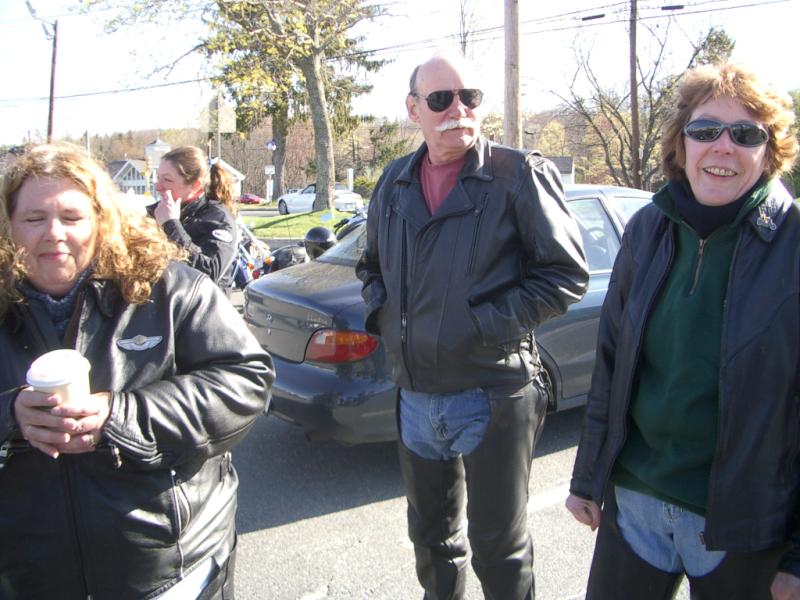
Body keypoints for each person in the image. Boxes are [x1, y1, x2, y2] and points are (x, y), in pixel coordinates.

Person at [356, 51, 589, 599]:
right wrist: (388, 320)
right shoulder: (394, 181)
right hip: (415, 396)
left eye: (470, 97)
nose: (457, 109)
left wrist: (480, 325)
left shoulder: (519, 175)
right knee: (431, 542)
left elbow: (565, 275)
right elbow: (371, 268)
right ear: (414, 109)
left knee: (498, 548)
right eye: (441, 99)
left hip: (492, 392)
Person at [566, 62, 800, 599]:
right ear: (682, 142)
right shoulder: (647, 229)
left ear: (769, 151)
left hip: (744, 524)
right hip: (635, 503)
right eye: (705, 130)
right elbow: (611, 364)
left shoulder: (792, 242)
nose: (723, 146)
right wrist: (588, 476)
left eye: (746, 134)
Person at [0, 143, 275, 599]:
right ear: (9, 224)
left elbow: (246, 380)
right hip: (27, 575)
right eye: (34, 218)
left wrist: (120, 415)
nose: (53, 234)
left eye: (71, 217)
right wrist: (11, 414)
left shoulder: (168, 288)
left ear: (100, 219)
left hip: (171, 569)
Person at [153, 146, 238, 288]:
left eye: (167, 180)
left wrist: (171, 225)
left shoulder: (218, 218)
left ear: (195, 185)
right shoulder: (153, 212)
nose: (158, 187)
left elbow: (210, 273)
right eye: (158, 178)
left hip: (199, 301)